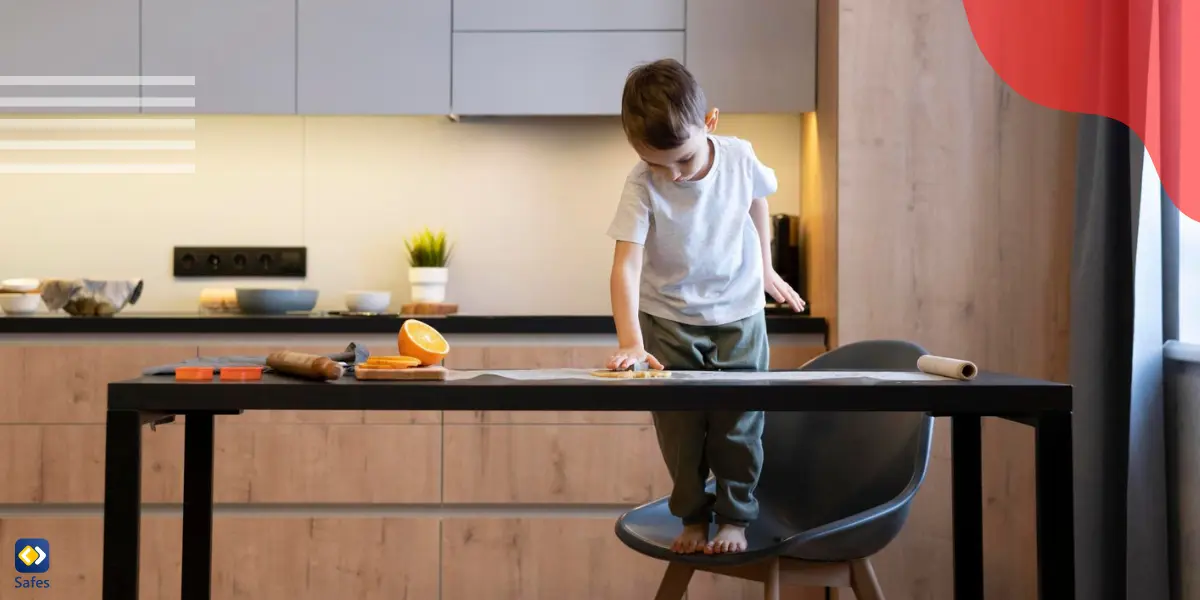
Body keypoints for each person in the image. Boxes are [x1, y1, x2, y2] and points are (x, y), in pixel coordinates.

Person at [604, 58, 806, 555]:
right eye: (657, 163)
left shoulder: (739, 157)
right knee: (681, 430)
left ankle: (735, 519)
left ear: (709, 122)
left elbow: (756, 199)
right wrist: (631, 340)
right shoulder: (641, 184)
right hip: (668, 319)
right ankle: (693, 519)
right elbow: (626, 266)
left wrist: (766, 267)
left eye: (683, 159)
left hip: (739, 312)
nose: (672, 174)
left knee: (740, 424)